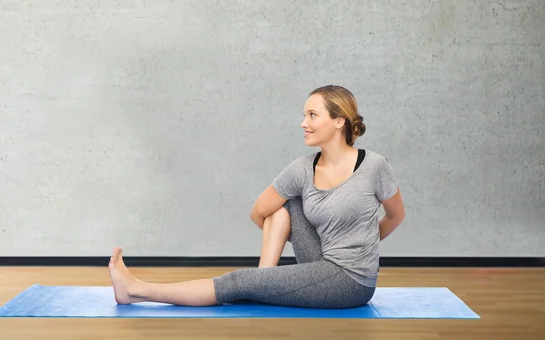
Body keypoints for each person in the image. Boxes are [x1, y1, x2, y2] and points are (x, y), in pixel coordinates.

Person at [108, 85, 406, 308]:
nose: (303, 122)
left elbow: (396, 216)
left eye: (312, 115)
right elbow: (258, 213)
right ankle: (265, 279)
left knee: (237, 281)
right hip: (320, 258)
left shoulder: (374, 166)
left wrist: (365, 246)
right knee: (284, 205)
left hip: (351, 280)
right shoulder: (302, 169)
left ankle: (134, 290)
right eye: (304, 115)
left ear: (339, 121)